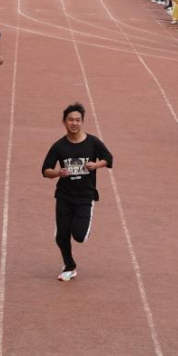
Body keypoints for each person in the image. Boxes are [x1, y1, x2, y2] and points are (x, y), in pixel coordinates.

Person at [40, 103, 113, 282]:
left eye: (78, 120)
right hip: (64, 196)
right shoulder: (58, 146)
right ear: (64, 122)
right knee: (61, 236)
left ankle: (81, 227)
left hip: (85, 196)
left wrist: (96, 165)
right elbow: (45, 170)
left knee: (79, 236)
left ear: (82, 122)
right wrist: (58, 173)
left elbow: (108, 158)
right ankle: (69, 266)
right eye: (71, 120)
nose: (74, 123)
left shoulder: (92, 142)